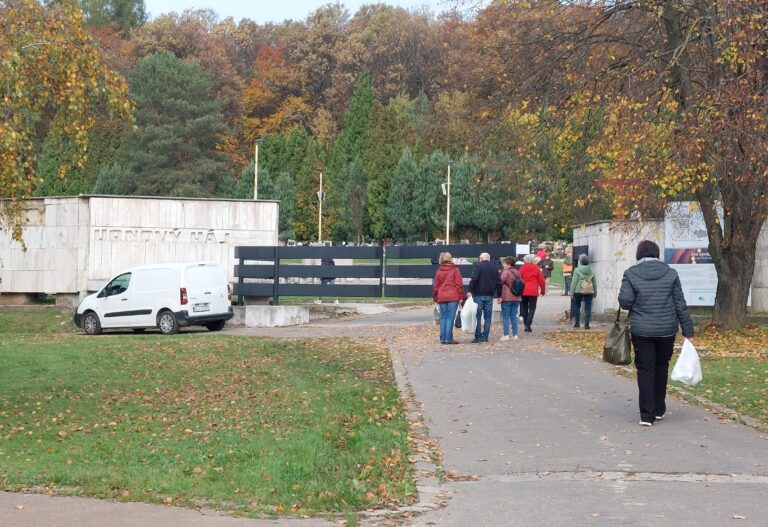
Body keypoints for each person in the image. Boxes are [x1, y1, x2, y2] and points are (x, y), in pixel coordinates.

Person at [619, 240, 694, 427]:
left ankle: (647, 415)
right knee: (661, 367)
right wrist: (688, 331)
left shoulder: (630, 273)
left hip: (642, 331)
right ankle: (659, 409)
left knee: (645, 370)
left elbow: (625, 302)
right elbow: (680, 304)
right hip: (666, 330)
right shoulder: (671, 273)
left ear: (639, 254)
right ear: (657, 254)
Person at [468, 252, 501, 343]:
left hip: (478, 294)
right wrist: (499, 295)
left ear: (481, 258)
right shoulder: (494, 268)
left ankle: (478, 337)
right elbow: (499, 283)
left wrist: (470, 290)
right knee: (488, 317)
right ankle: (485, 337)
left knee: (478, 317)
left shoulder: (478, 266)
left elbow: (474, 279)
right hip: (489, 295)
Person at [432, 252, 464, 345]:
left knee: (443, 318)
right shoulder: (455, 269)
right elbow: (459, 284)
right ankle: (448, 338)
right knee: (450, 318)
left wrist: (435, 298)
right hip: (453, 296)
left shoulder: (439, 271)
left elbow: (435, 287)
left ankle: (442, 338)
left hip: (441, 296)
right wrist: (461, 296)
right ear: (450, 259)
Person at [519, 254, 546, 333]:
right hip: (533, 291)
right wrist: (543, 291)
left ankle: (525, 324)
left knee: (524, 308)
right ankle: (528, 324)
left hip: (523, 290)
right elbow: (542, 281)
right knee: (532, 308)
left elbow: (519, 278)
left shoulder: (522, 268)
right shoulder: (536, 268)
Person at [498, 257, 522, 341]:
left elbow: (500, 281)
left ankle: (506, 335)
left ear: (508, 264)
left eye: (504, 263)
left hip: (507, 296)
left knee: (506, 316)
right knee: (514, 316)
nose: (503, 265)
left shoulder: (506, 271)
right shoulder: (517, 272)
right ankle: (515, 335)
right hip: (517, 297)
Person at [570, 254, 596, 329]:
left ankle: (577, 323)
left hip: (578, 290)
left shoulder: (577, 270)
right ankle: (587, 325)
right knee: (588, 308)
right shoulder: (591, 270)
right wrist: (595, 292)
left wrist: (571, 292)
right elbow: (594, 282)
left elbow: (574, 281)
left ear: (580, 261)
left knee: (577, 306)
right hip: (589, 290)